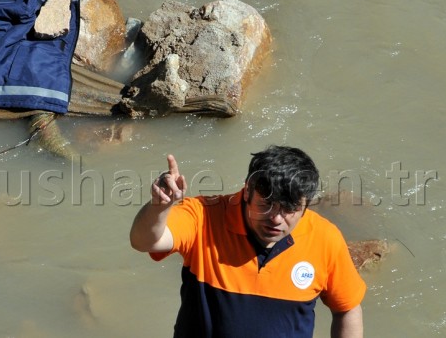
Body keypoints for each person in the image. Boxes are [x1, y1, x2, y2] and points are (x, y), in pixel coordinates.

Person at [130, 145, 365, 338]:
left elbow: (347, 308)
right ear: (247, 191)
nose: (276, 219)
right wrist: (159, 207)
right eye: (265, 205)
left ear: (306, 206)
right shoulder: (203, 216)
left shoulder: (325, 238)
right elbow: (146, 241)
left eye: (289, 209)